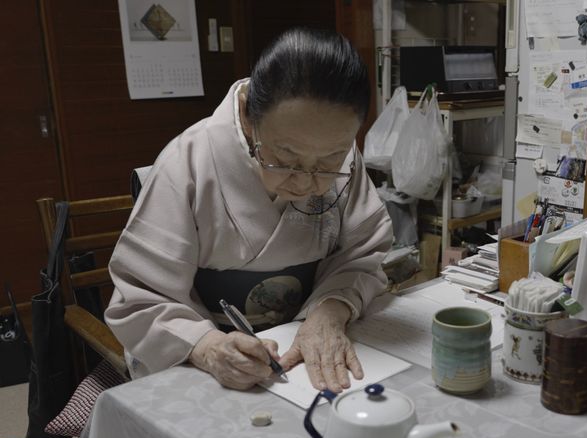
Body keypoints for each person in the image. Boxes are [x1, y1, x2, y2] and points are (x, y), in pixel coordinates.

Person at [105, 28, 393, 394]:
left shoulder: (345, 159)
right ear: (247, 115)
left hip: (302, 341)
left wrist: (329, 311)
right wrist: (207, 347)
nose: (307, 183)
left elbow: (363, 254)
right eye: (285, 158)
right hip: (200, 349)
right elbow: (141, 297)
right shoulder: (187, 163)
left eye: (328, 162)